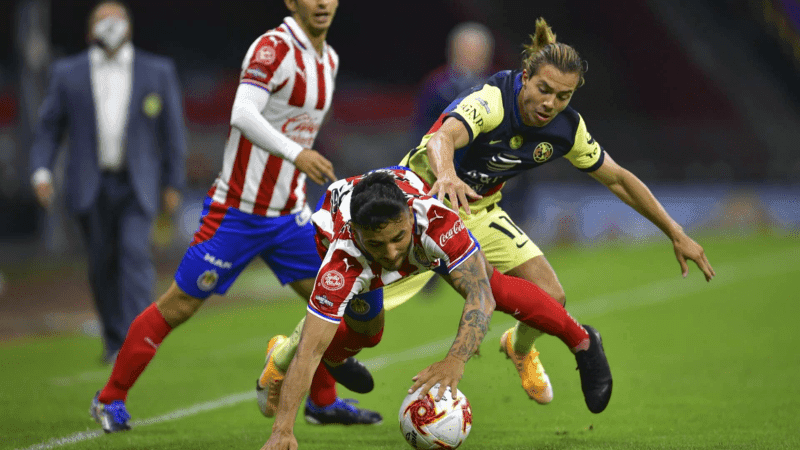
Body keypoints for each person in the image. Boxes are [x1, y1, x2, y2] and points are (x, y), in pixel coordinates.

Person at [263, 16, 717, 413]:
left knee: (550, 296)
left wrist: (675, 232)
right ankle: (283, 355)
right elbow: (443, 137)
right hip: (420, 208)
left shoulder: (566, 128)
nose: (550, 103)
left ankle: (518, 347)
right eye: (543, 90)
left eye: (563, 96)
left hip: (478, 210)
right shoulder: (491, 100)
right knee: (351, 314)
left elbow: (617, 179)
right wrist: (446, 176)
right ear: (525, 77)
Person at [87, 0, 381, 434]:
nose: (321, 2)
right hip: (237, 214)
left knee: (329, 302)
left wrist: (297, 166)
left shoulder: (329, 59)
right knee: (179, 305)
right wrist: (296, 153)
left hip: (290, 217)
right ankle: (109, 398)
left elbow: (297, 125)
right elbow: (242, 114)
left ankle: (322, 402)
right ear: (291, 2)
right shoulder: (272, 49)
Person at [260, 168, 611, 450]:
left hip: (414, 225)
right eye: (377, 243)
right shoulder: (342, 262)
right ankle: (299, 358)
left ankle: (582, 341)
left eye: (397, 237)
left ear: (409, 217)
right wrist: (282, 431)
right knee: (367, 333)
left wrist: (455, 359)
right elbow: (309, 350)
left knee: (494, 286)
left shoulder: (436, 221)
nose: (391, 254)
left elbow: (482, 295)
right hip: (341, 237)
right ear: (358, 234)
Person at [29, 1, 186, 364]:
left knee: (134, 254)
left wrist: (173, 182)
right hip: (90, 184)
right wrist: (41, 171)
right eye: (103, 20)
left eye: (117, 19)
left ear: (130, 28)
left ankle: (138, 341)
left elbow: (173, 132)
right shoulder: (67, 72)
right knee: (101, 265)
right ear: (89, 31)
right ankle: (115, 340)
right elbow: (49, 127)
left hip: (138, 184)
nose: (111, 25)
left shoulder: (157, 70)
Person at [414, 22, 495, 142]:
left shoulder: (498, 85)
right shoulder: (437, 87)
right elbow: (423, 129)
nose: (472, 62)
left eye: (478, 56)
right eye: (467, 54)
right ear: (453, 53)